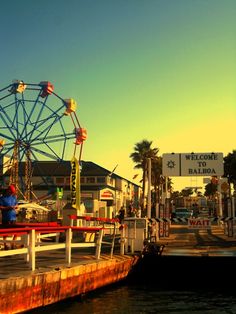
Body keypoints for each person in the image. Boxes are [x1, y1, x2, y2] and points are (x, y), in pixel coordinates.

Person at [0, 185, 18, 249]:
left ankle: (13, 243)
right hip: (6, 218)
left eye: (13, 192)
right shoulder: (2, 198)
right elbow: (0, 207)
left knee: (17, 231)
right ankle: (5, 245)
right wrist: (8, 208)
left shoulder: (14, 198)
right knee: (5, 232)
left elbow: (16, 204)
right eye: (11, 192)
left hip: (13, 217)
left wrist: (16, 206)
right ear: (8, 190)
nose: (12, 193)